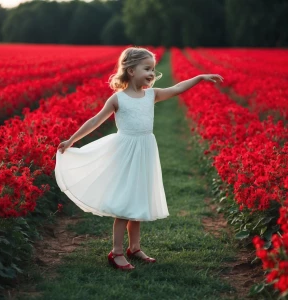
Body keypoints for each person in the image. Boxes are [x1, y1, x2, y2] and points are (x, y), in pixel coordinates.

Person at [55, 46, 224, 271]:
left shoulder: (151, 95)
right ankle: (115, 252)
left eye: (153, 69)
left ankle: (134, 247)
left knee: (137, 201)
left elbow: (176, 88)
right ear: (131, 70)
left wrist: (200, 77)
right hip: (125, 153)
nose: (152, 73)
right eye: (147, 68)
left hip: (145, 150)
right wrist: (72, 140)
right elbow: (95, 121)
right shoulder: (118, 99)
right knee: (125, 204)